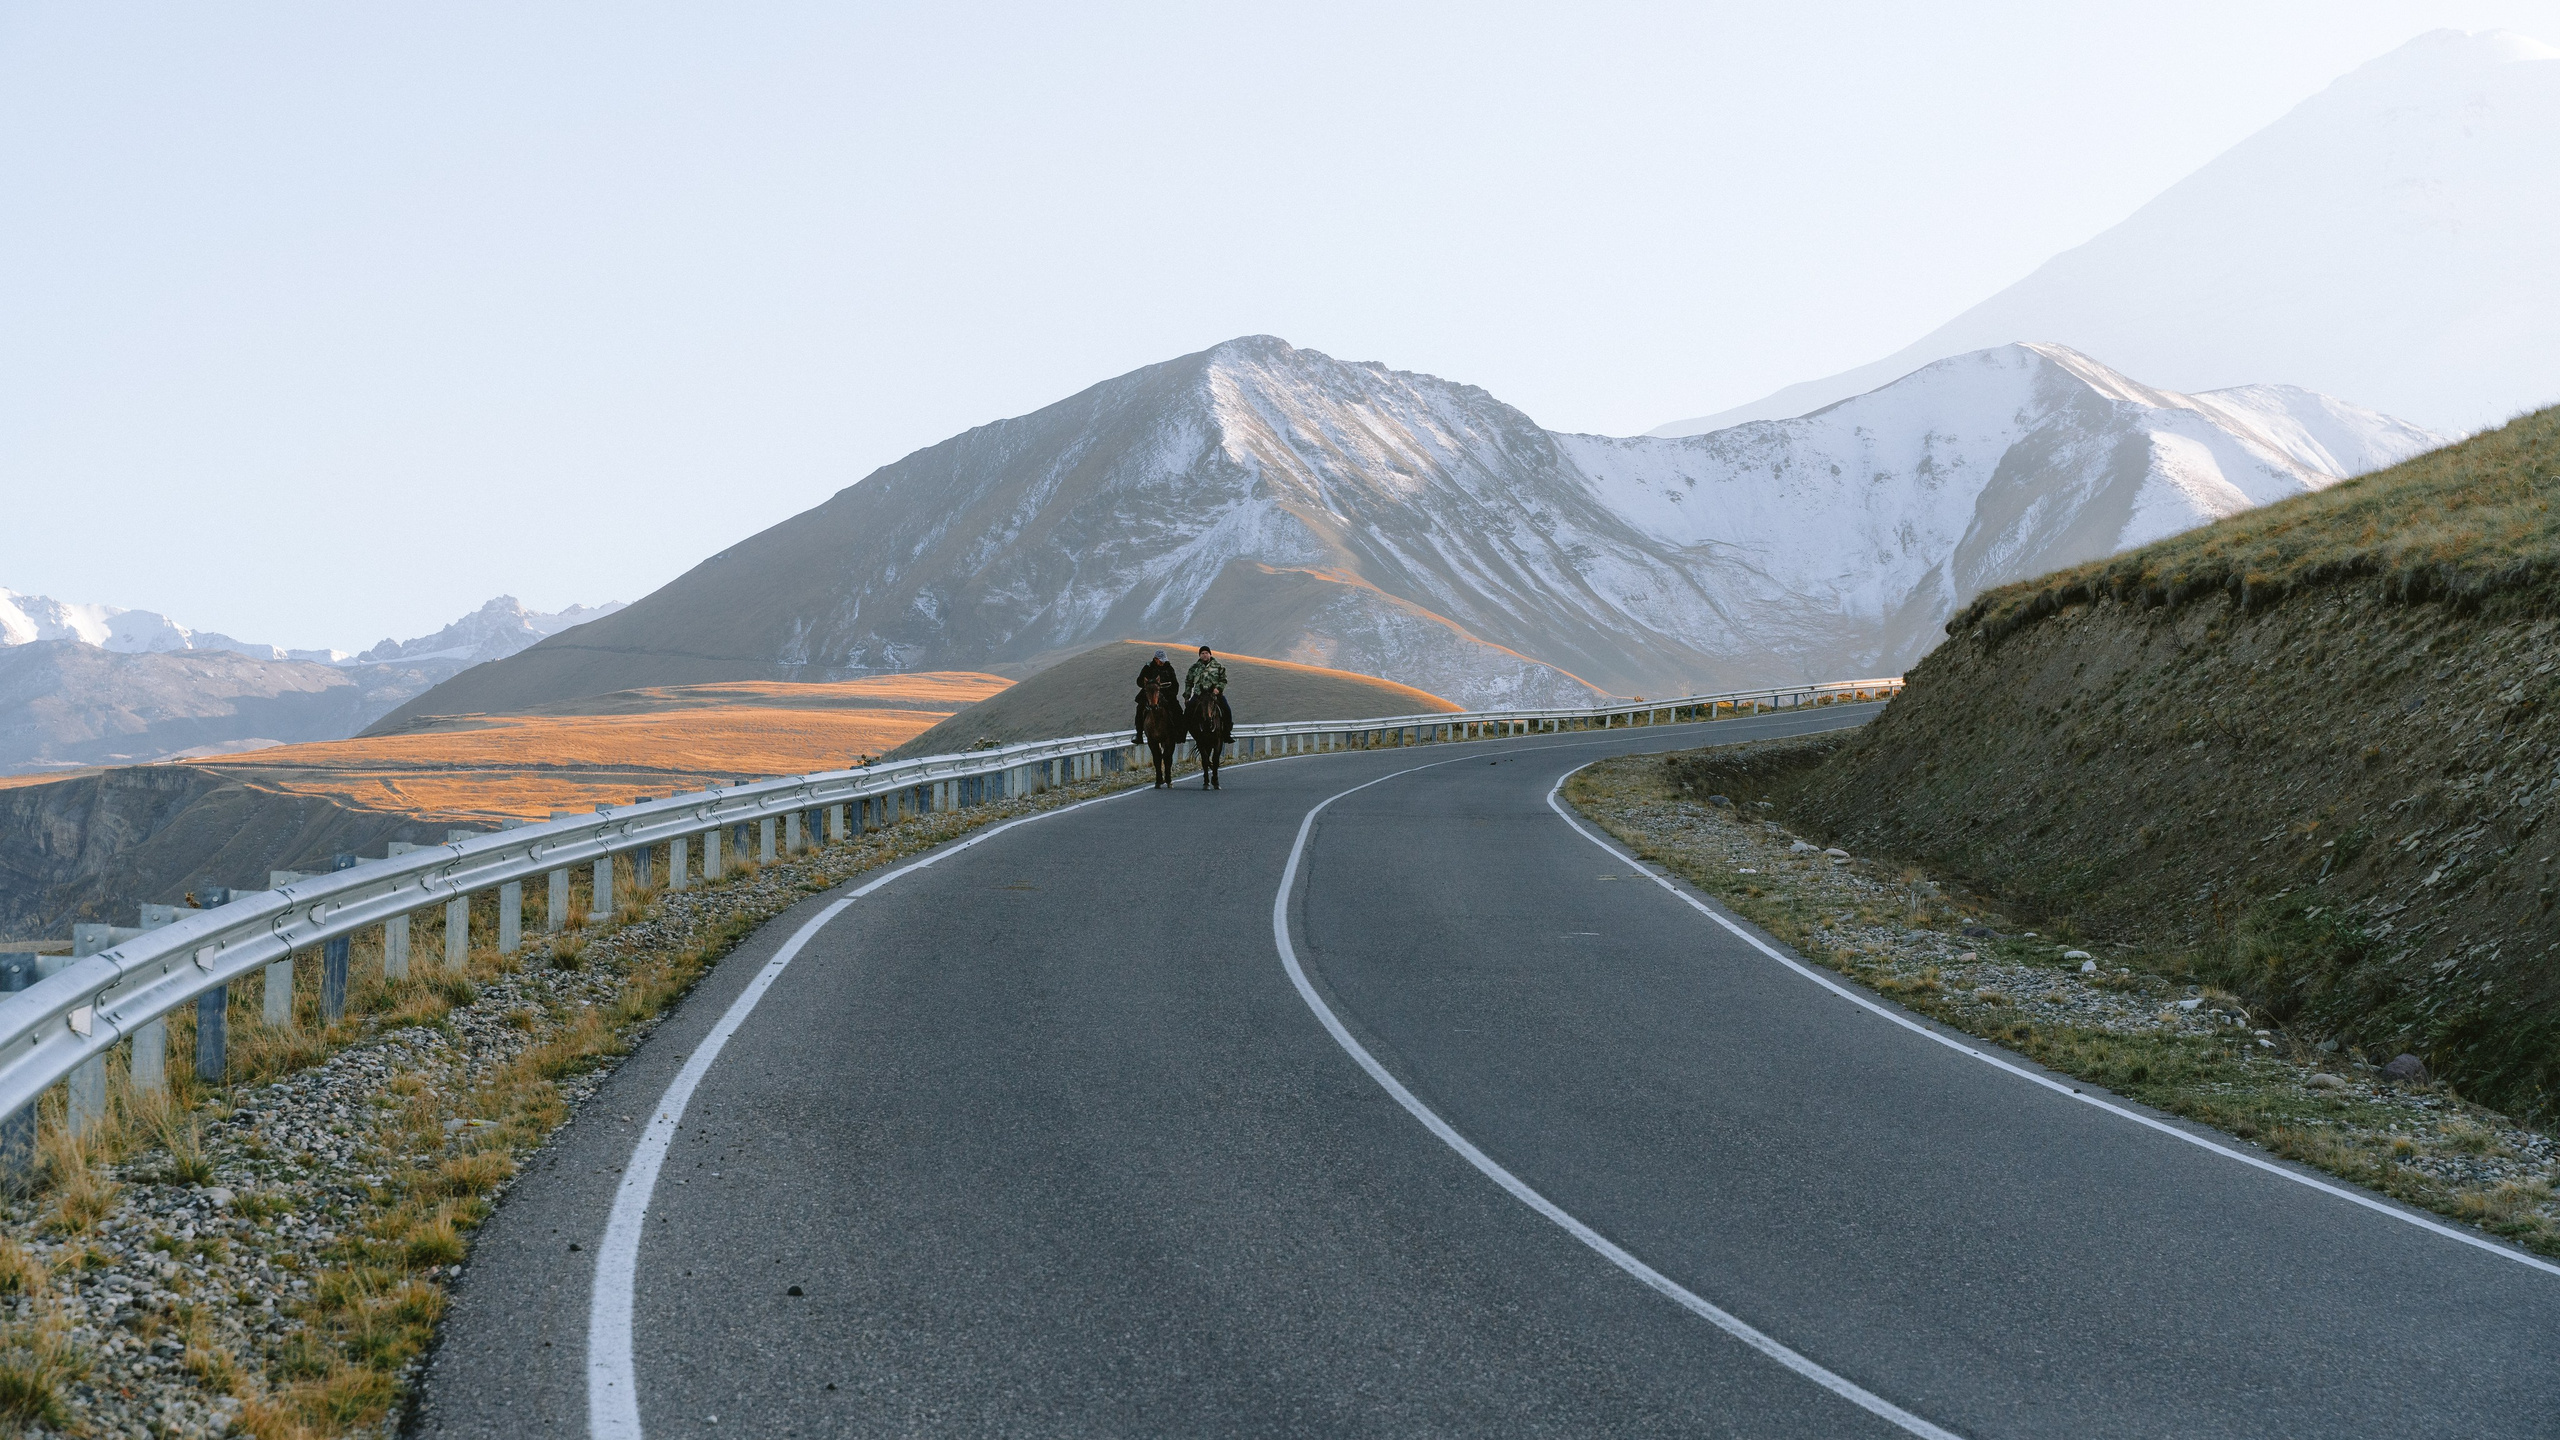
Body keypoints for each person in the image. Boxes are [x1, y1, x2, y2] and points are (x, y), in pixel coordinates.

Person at [1134, 649, 1181, 744]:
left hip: (1167, 695)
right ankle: (1139, 734)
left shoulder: (1169, 668)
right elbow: (1139, 681)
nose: (1163, 662)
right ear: (1156, 659)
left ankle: (1179, 734)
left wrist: (1172, 695)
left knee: (1178, 710)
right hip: (1150, 694)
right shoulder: (1148, 667)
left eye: (1164, 660)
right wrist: (1148, 684)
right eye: (1161, 660)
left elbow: (1175, 683)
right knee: (1140, 709)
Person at [1184, 645, 1231, 730]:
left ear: (1210, 654)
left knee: (1226, 709)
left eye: (1206, 653)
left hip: (1214, 694)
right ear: (1199, 655)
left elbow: (1223, 680)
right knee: (1188, 711)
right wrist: (1187, 697)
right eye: (1202, 653)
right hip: (1199, 695)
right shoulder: (1194, 668)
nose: (1204, 655)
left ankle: (1227, 732)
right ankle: (1184, 733)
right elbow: (1189, 682)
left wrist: (1218, 689)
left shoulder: (1218, 666)